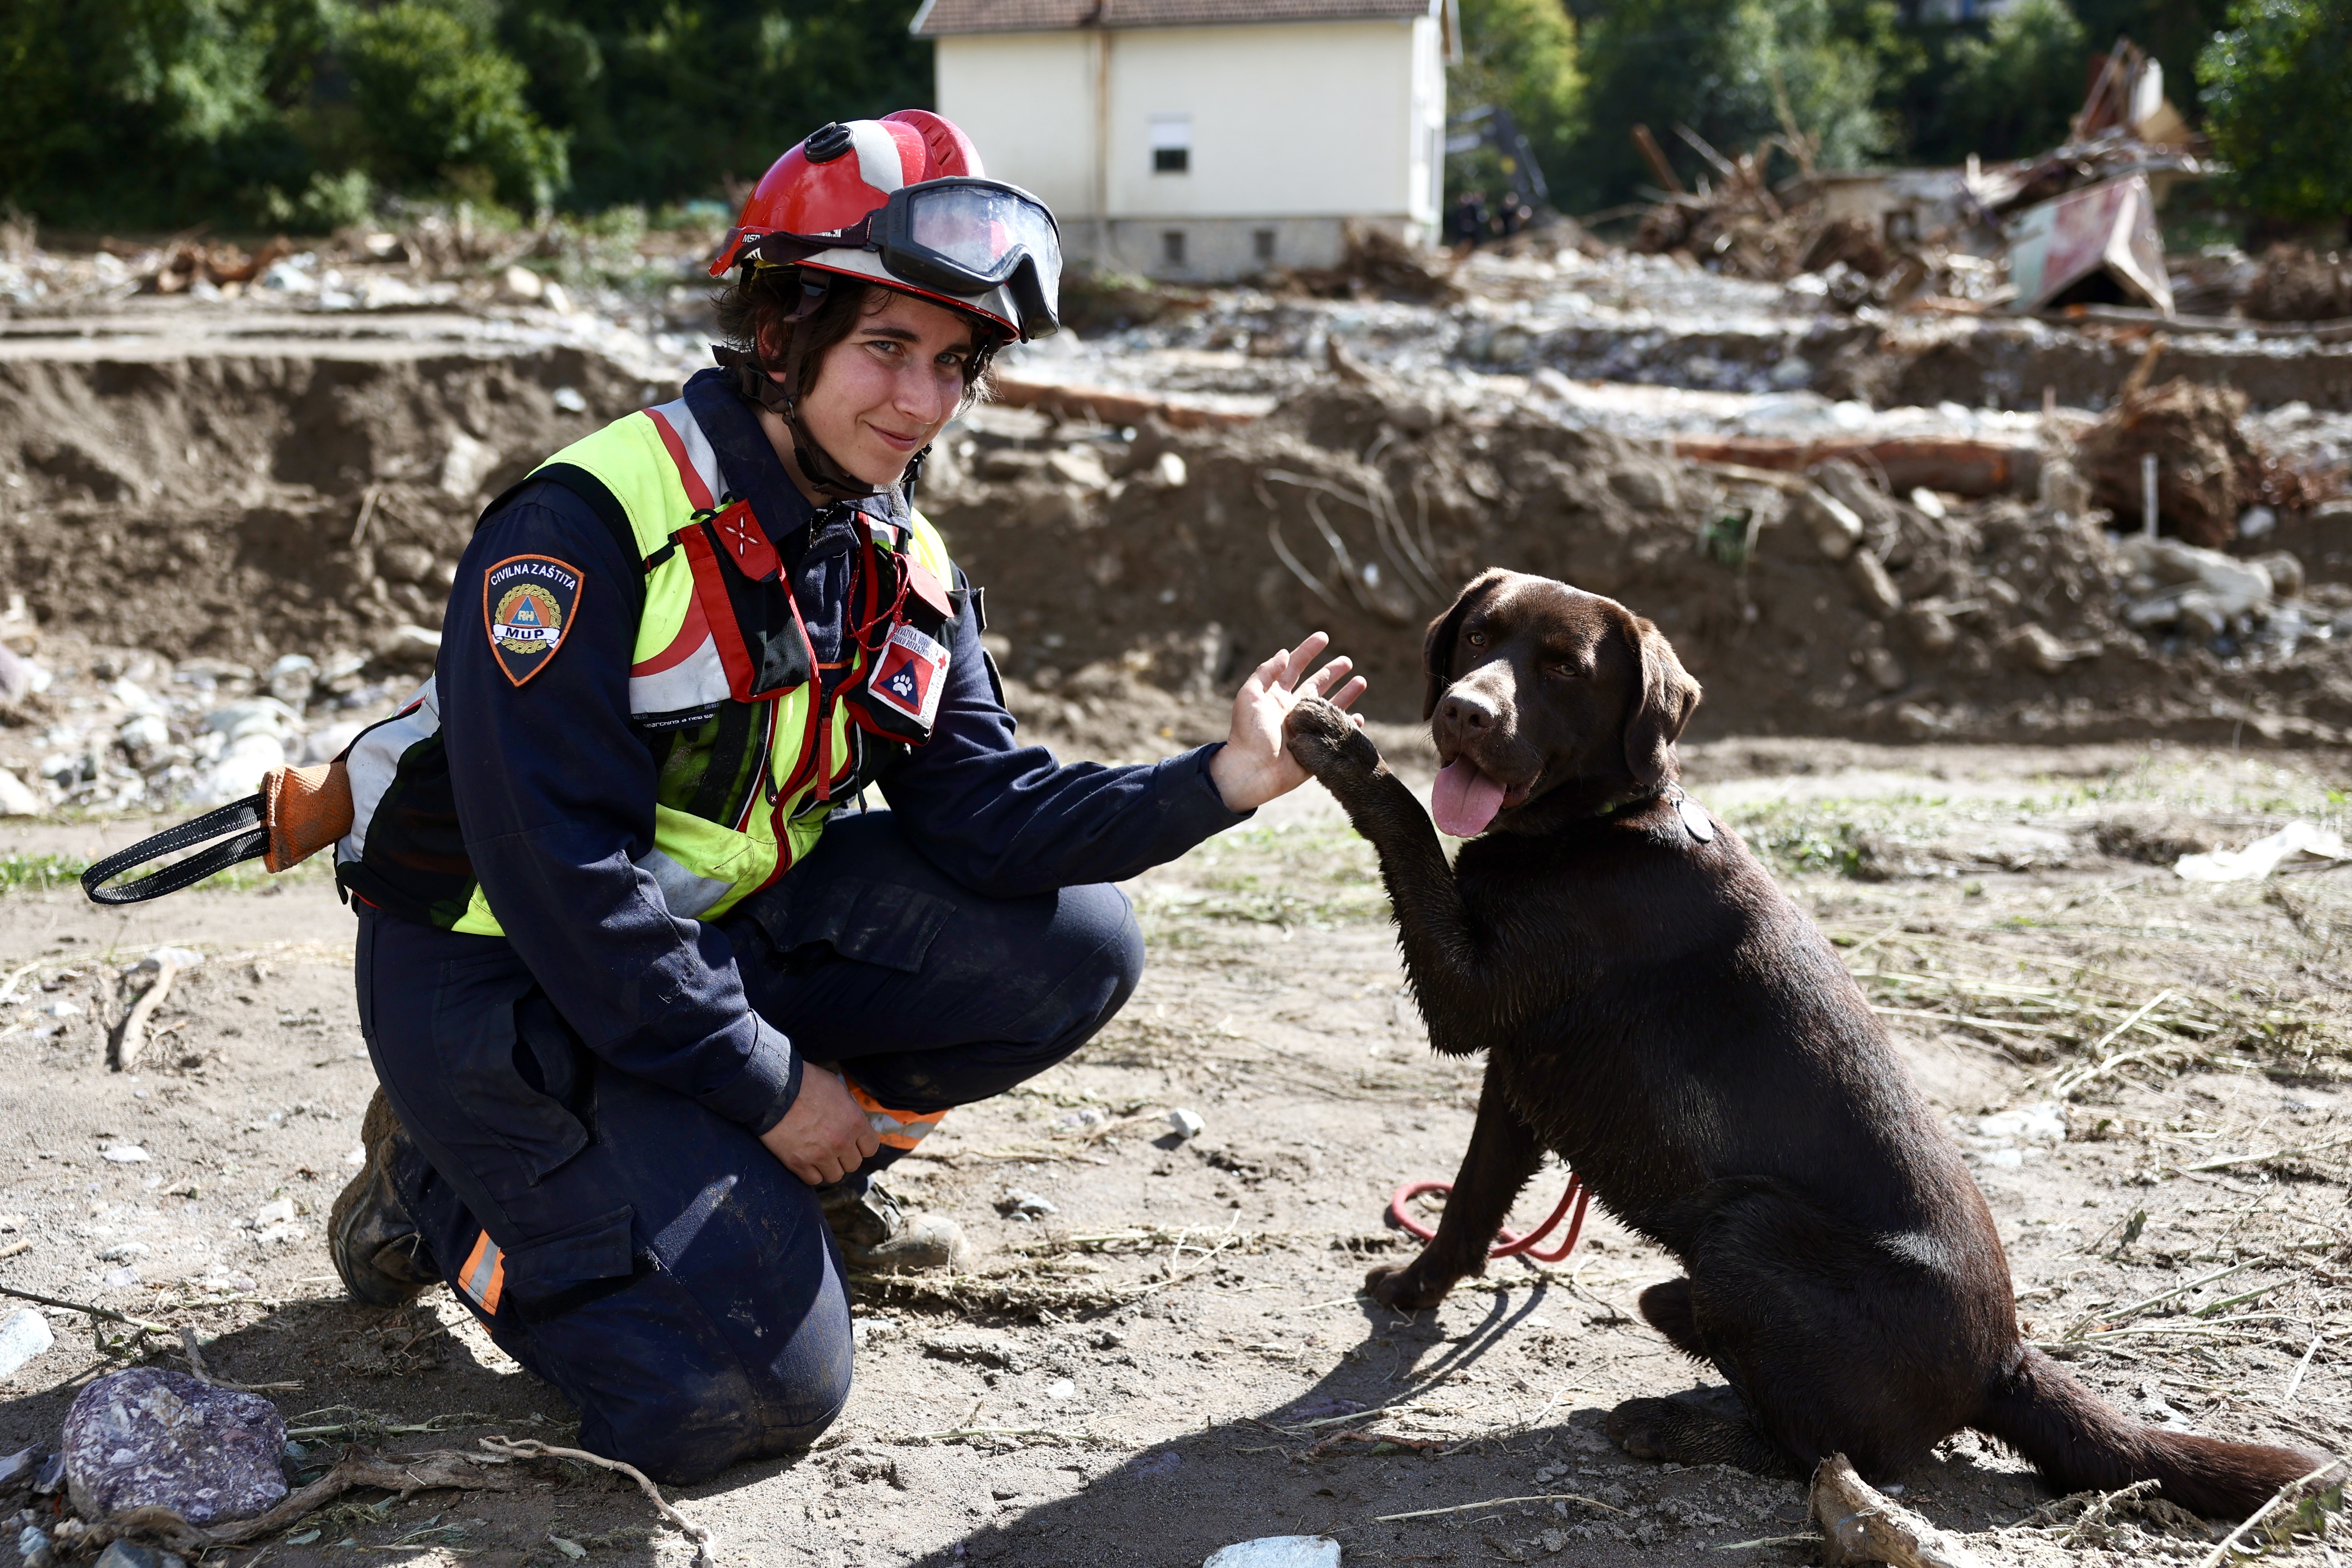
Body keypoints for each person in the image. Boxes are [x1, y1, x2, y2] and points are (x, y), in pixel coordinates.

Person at [322, 110, 1365, 1486]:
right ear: (781, 329)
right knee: (733, 1404)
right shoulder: (582, 530)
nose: (923, 404)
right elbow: (564, 881)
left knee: (1072, 943)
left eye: (954, 364)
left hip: (693, 962)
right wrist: (770, 1085)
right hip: (499, 989)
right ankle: (439, 1193)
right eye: (886, 348)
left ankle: (774, 1187)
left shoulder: (889, 550)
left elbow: (985, 815)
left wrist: (1223, 777)